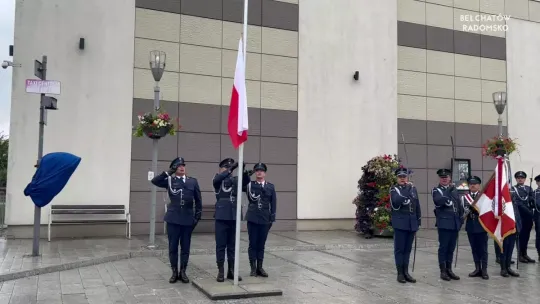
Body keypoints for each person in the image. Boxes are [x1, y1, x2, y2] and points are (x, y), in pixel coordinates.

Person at [151, 157, 202, 284]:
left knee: (185, 248)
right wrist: (168, 172)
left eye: (183, 165)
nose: (181, 167)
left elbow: (199, 201)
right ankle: (174, 272)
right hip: (173, 219)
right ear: (174, 168)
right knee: (173, 247)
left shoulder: (192, 182)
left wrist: (196, 218)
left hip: (187, 220)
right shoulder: (169, 180)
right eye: (178, 166)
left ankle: (183, 272)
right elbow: (154, 181)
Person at [213, 158, 250, 282]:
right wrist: (231, 169)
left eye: (230, 167)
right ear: (221, 169)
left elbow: (245, 183)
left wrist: (243, 171)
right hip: (221, 217)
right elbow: (218, 179)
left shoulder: (235, 180)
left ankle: (231, 271)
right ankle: (221, 271)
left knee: (232, 245)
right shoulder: (217, 179)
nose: (228, 169)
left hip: (234, 216)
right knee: (220, 245)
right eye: (226, 167)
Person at [389, 167, 421, 284]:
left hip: (411, 223)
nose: (402, 179)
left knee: (407, 249)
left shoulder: (413, 189)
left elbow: (417, 205)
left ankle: (406, 272)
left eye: (404, 177)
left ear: (407, 177)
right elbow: (396, 202)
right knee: (400, 249)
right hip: (400, 223)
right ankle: (400, 273)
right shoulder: (394, 189)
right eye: (400, 177)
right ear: (397, 178)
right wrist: (407, 189)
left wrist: (418, 221)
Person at [246, 162, 276, 277]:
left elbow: (273, 203)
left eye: (261, 170)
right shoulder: (250, 184)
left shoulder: (270, 186)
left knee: (261, 244)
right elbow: (243, 185)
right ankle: (253, 268)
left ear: (265, 173)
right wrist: (246, 175)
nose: (259, 172)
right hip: (253, 218)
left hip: (265, 219)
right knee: (253, 243)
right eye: (257, 170)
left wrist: (272, 218)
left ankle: (260, 267)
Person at [432, 168, 463, 281]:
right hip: (444, 223)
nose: (444, 179)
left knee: (451, 247)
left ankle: (449, 269)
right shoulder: (437, 190)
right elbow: (438, 202)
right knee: (444, 247)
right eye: (442, 178)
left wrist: (460, 220)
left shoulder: (454, 190)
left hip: (454, 223)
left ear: (450, 178)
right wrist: (448, 191)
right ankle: (443, 271)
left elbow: (459, 205)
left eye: (446, 177)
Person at [461, 176, 488, 279]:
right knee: (474, 248)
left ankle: (484, 270)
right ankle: (477, 268)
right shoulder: (464, 198)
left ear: (479, 185)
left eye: (475, 184)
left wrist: (476, 209)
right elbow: (463, 211)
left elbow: (486, 211)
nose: (472, 185)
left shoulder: (483, 197)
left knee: (483, 249)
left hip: (481, 225)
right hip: (470, 225)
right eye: (471, 184)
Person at [511, 171, 535, 263]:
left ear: (525, 179)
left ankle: (525, 253)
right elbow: (517, 202)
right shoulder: (513, 189)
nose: (520, 179)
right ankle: (520, 255)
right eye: (518, 178)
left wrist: (532, 202)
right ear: (516, 179)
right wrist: (528, 211)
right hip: (519, 215)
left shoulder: (528, 188)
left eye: (522, 178)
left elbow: (531, 200)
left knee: (526, 235)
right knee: (520, 235)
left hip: (528, 217)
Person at [534, 174, 540, 260]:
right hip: (538, 216)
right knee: (539, 235)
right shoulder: (534, 193)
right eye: (539, 181)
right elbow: (536, 204)